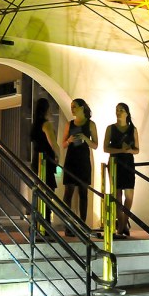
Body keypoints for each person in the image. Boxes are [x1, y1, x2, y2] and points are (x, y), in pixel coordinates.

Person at [61, 98, 98, 233]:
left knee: (83, 192)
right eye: (71, 107)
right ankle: (67, 224)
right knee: (68, 192)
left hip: (83, 161)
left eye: (75, 106)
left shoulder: (91, 124)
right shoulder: (69, 124)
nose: (72, 109)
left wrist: (85, 138)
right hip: (71, 160)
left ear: (82, 108)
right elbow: (63, 144)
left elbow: (95, 145)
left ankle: (83, 224)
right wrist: (70, 140)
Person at [103, 102, 139, 237]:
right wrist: (120, 150)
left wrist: (129, 150)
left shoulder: (132, 129)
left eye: (121, 110)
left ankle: (123, 223)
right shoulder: (110, 128)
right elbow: (106, 148)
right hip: (115, 162)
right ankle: (122, 226)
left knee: (129, 195)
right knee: (117, 194)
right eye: (117, 110)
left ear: (127, 113)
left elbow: (137, 149)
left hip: (128, 162)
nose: (118, 112)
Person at [30, 97, 60, 190]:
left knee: (39, 190)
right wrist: (58, 156)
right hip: (45, 161)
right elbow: (53, 144)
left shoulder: (35, 125)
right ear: (46, 109)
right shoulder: (46, 125)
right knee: (48, 190)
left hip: (36, 159)